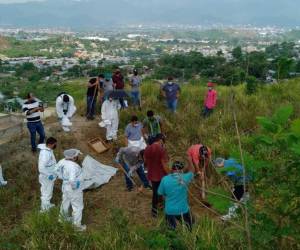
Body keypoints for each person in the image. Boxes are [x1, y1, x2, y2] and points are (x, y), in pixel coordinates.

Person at [158, 161, 195, 230]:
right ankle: (189, 236)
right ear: (182, 170)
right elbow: (192, 170)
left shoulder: (164, 179)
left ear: (172, 169)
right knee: (189, 227)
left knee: (171, 231)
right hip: (183, 210)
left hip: (169, 210)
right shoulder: (185, 178)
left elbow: (160, 193)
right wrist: (189, 159)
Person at [58, 149, 86, 231]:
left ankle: (62, 219)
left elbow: (57, 172)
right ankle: (77, 226)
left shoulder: (63, 162)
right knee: (78, 207)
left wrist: (64, 179)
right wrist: (75, 186)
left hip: (65, 187)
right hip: (73, 189)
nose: (77, 157)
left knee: (65, 203)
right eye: (77, 155)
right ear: (73, 157)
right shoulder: (73, 166)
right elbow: (72, 180)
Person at [144, 134, 169, 217]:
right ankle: (166, 209)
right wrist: (169, 174)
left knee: (155, 193)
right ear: (160, 140)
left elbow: (145, 161)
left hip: (152, 175)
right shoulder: (161, 149)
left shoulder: (147, 149)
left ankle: (154, 212)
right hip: (161, 175)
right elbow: (164, 163)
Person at [37, 137, 58, 212]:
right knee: (46, 192)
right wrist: (49, 175)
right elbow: (41, 167)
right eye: (54, 144)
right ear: (50, 144)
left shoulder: (49, 150)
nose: (55, 146)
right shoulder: (45, 153)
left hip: (49, 176)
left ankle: (47, 205)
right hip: (46, 177)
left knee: (48, 191)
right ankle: (44, 210)